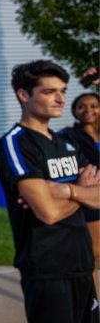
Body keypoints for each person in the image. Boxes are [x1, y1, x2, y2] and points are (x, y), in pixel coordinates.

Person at [0, 60, 99, 323]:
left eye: (62, 90)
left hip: (82, 264)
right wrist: (83, 192)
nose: (60, 98)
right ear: (23, 95)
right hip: (47, 270)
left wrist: (65, 190)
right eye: (49, 91)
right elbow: (48, 213)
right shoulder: (17, 142)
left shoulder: (66, 142)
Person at [60, 91, 100, 294]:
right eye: (81, 106)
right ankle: (94, 302)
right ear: (74, 112)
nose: (88, 110)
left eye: (94, 105)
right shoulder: (69, 135)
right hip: (93, 199)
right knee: (95, 253)